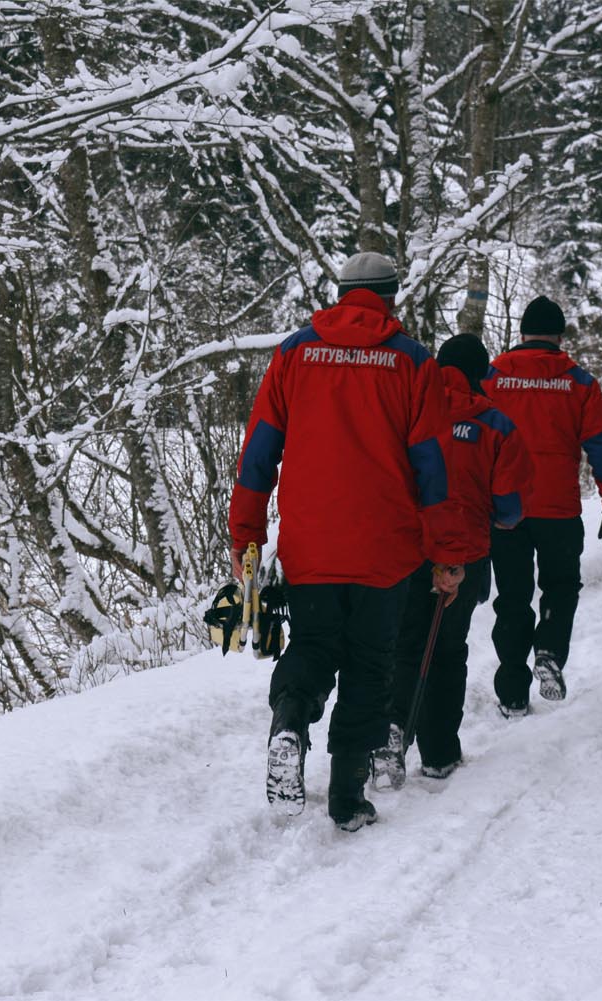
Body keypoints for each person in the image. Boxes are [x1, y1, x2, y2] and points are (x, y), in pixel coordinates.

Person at [228, 251, 467, 831]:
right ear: (390, 298)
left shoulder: (293, 353)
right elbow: (433, 468)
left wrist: (246, 535)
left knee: (313, 646)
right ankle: (346, 796)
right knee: (369, 665)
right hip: (385, 552)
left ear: (340, 295)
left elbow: (258, 451)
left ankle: (289, 721)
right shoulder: (413, 362)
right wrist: (447, 554)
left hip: (311, 544)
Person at [377, 333, 533, 784]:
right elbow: (509, 506)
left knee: (403, 646)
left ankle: (390, 730)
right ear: (481, 374)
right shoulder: (496, 424)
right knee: (446, 650)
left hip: (406, 549)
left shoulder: (406, 412)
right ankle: (439, 754)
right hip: (465, 552)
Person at [482, 295, 602, 716]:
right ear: (559, 338)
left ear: (523, 335)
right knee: (560, 588)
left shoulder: (493, 378)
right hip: (559, 510)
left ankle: (512, 690)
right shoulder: (578, 382)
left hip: (506, 511)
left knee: (511, 596)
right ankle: (548, 651)